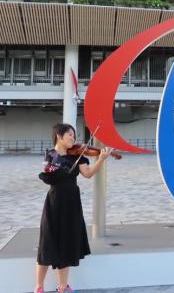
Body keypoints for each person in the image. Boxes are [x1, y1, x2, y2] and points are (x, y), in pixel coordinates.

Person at [35, 123, 112, 293]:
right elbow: (48, 175)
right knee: (47, 241)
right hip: (54, 202)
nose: (73, 138)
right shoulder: (51, 155)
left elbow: (88, 174)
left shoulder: (79, 156)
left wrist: (100, 159)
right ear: (59, 136)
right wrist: (57, 167)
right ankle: (39, 287)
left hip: (72, 202)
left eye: (74, 135)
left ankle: (62, 287)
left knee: (67, 242)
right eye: (70, 135)